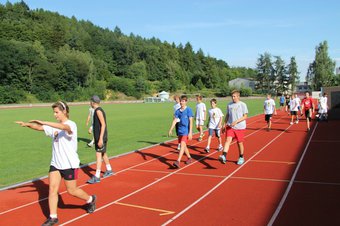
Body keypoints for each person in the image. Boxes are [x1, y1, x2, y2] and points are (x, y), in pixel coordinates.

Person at [15, 101, 96, 226]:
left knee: (72, 190)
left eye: (56, 112)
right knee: (52, 189)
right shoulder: (54, 127)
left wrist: (44, 121)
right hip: (56, 163)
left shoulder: (71, 124)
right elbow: (40, 127)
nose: (55, 115)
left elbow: (64, 128)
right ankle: (53, 217)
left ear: (64, 111)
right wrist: (26, 124)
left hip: (69, 164)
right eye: (54, 112)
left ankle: (90, 199)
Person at [87, 95, 114, 184]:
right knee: (103, 153)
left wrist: (100, 139)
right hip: (99, 136)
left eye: (90, 101)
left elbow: (103, 124)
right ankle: (109, 169)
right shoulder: (97, 110)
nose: (89, 103)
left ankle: (97, 176)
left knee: (98, 155)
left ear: (93, 102)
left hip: (101, 137)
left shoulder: (98, 111)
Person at [219, 90, 248, 165]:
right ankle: (224, 156)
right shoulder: (229, 105)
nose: (233, 98)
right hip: (230, 126)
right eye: (232, 96)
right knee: (228, 140)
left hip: (240, 127)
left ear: (238, 96)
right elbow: (227, 115)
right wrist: (224, 124)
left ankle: (241, 157)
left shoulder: (242, 104)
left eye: (234, 96)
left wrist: (236, 121)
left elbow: (245, 116)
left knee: (239, 143)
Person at [168, 95, 193, 168]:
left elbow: (191, 121)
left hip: (186, 130)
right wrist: (171, 129)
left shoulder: (189, 110)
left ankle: (178, 161)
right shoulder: (178, 111)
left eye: (183, 101)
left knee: (182, 144)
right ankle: (189, 158)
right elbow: (175, 120)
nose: (181, 103)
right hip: (180, 130)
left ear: (186, 102)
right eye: (181, 101)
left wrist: (190, 132)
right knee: (184, 146)